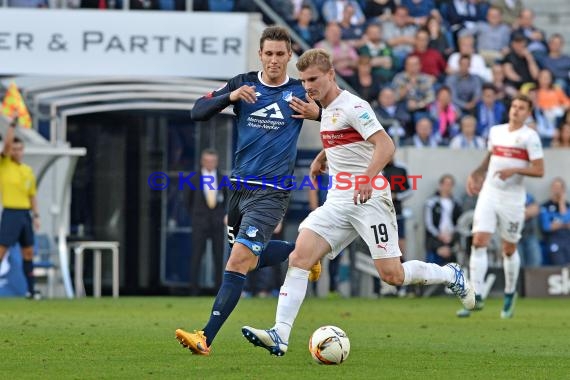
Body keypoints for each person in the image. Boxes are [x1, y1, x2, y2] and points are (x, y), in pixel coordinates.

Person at [241, 48, 475, 357]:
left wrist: (366, 177)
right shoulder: (326, 109)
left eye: (313, 79)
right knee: (300, 256)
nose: (308, 86)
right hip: (338, 200)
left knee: (392, 275)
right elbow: (343, 137)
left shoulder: (354, 105)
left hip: (370, 199)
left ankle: (450, 274)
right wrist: (322, 157)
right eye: (304, 80)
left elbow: (385, 145)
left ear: (331, 75)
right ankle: (280, 334)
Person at [175, 26, 322, 356]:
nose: (273, 60)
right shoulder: (243, 83)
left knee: (237, 262)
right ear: (260, 54)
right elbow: (197, 111)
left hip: (272, 192)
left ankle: (205, 337)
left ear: (289, 57)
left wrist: (319, 114)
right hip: (239, 190)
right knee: (248, 259)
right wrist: (229, 97)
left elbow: (344, 119)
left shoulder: (301, 90)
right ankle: (303, 252)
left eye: (280, 55)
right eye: (268, 54)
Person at [459, 94, 544, 319]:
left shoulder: (530, 137)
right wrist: (477, 171)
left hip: (513, 199)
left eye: (522, 108)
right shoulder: (496, 131)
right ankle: (475, 296)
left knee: (508, 249)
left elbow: (539, 169)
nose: (516, 110)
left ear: (528, 113)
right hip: (490, 192)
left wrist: (514, 170)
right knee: (478, 241)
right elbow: (491, 155)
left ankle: (509, 293)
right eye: (514, 106)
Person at [0, 115, 40, 299]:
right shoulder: (5, 165)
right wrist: (12, 126)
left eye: (19, 149)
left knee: (28, 251)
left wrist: (37, 215)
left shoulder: (27, 171)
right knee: (2, 250)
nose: (16, 152)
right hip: (11, 212)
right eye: (14, 149)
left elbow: (32, 194)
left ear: (23, 150)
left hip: (25, 214)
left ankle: (31, 291)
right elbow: (6, 145)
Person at [187, 149, 226, 295]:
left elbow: (227, 201)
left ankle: (218, 290)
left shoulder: (222, 178)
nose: (210, 164)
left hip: (217, 224)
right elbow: (187, 201)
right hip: (199, 223)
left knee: (218, 257)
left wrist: (223, 216)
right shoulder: (193, 179)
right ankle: (193, 290)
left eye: (213, 161)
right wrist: (196, 217)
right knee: (196, 256)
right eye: (207, 161)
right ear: (202, 161)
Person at [424, 174, 462, 265]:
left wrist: (451, 235)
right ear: (440, 185)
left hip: (451, 238)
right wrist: (439, 235)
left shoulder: (456, 203)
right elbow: (429, 224)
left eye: (450, 185)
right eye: (445, 184)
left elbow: (459, 222)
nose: (447, 187)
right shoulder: (431, 202)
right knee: (433, 268)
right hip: (435, 239)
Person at [540, 178, 570, 266]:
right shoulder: (545, 206)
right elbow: (547, 227)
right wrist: (564, 225)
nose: (557, 190)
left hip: (567, 239)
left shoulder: (567, 206)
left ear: (563, 190)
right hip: (553, 240)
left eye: (559, 188)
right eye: (555, 187)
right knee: (560, 265)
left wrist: (561, 203)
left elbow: (566, 219)